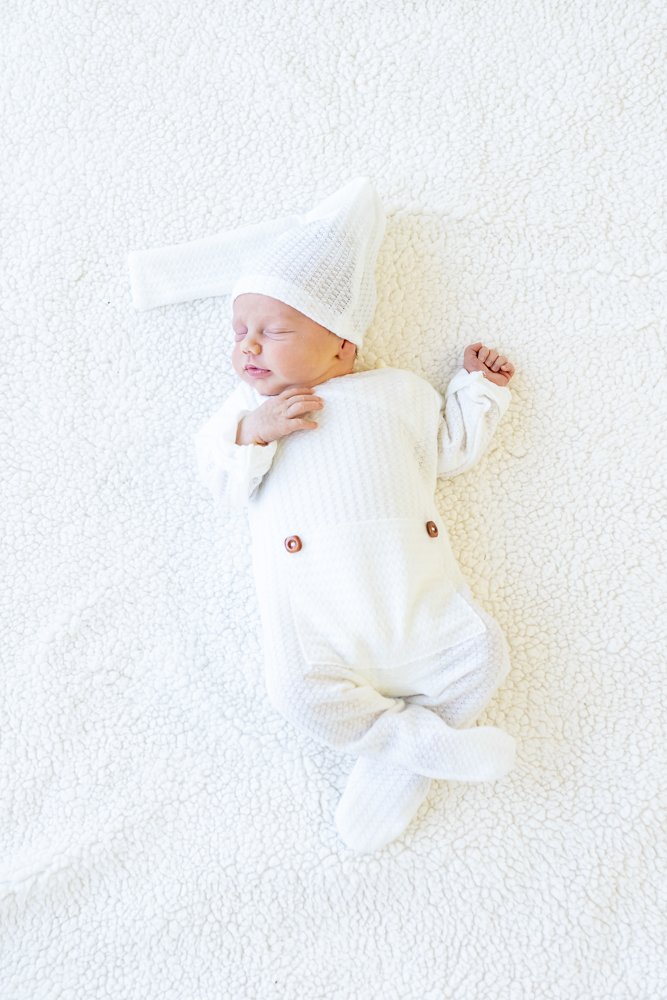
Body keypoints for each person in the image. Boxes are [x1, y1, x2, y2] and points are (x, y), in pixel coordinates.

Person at [128, 177, 517, 853]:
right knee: (297, 695)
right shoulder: (243, 414)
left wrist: (478, 390)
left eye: (272, 331)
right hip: (318, 617)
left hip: (412, 595)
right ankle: (415, 747)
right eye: (239, 332)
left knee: (483, 655)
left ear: (342, 344)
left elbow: (450, 450)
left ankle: (399, 758)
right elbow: (219, 478)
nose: (248, 347)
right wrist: (255, 432)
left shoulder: (398, 393)